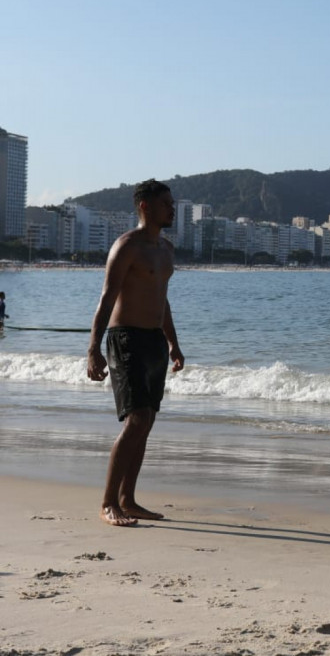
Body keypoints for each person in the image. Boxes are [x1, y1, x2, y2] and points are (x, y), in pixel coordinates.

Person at [87, 179, 185, 527]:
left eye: (172, 204)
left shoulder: (167, 250)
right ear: (145, 206)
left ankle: (128, 499)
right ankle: (108, 502)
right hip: (125, 337)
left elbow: (162, 300)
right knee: (137, 420)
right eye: (166, 204)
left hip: (154, 340)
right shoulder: (126, 246)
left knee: (147, 423)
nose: (172, 209)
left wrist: (173, 342)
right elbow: (106, 297)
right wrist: (93, 348)